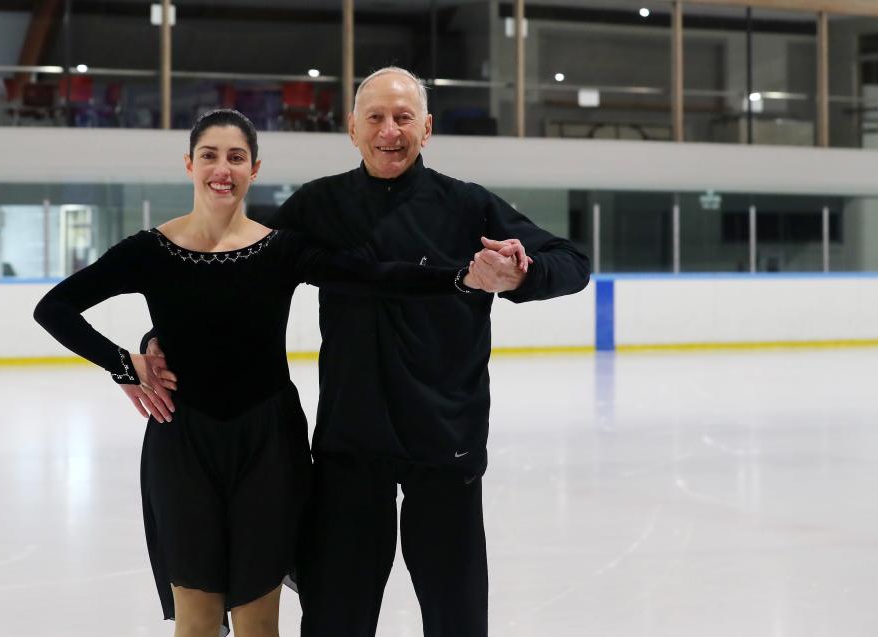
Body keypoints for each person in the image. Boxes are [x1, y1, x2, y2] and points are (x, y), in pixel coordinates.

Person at [33, 109, 524, 637]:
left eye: (236, 157)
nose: (223, 169)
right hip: (182, 443)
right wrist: (124, 364)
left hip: (269, 443)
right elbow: (55, 309)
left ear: (254, 168)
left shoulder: (281, 248)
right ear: (189, 164)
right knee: (196, 619)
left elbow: (375, 277)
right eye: (210, 156)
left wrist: (463, 279)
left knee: (256, 619)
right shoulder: (149, 251)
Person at [144, 68, 590, 637]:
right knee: (336, 620)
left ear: (426, 129)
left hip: (444, 445)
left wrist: (519, 273)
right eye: (375, 118)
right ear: (352, 128)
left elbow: (572, 262)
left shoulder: (467, 206)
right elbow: (240, 269)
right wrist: (161, 340)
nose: (389, 131)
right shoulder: (318, 206)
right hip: (351, 448)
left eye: (403, 118)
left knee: (457, 620)